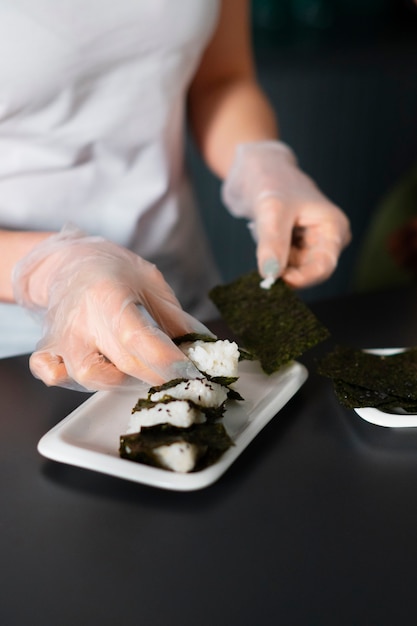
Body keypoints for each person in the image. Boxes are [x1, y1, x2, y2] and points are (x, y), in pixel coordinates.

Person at [0, 0, 351, 391]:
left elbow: (221, 79)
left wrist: (266, 167)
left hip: (181, 302)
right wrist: (50, 269)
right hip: (22, 354)